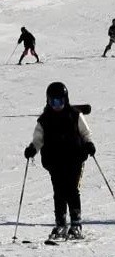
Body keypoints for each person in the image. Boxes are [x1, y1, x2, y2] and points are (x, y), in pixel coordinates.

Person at [23, 82, 95, 240]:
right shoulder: (45, 120)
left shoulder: (75, 115)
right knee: (59, 192)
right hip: (54, 160)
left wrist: (89, 144)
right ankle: (61, 224)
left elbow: (85, 133)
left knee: (72, 190)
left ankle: (76, 224)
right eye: (53, 102)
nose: (57, 105)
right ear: (48, 101)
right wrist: (32, 149)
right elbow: (38, 139)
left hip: (74, 158)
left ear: (66, 100)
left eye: (60, 101)